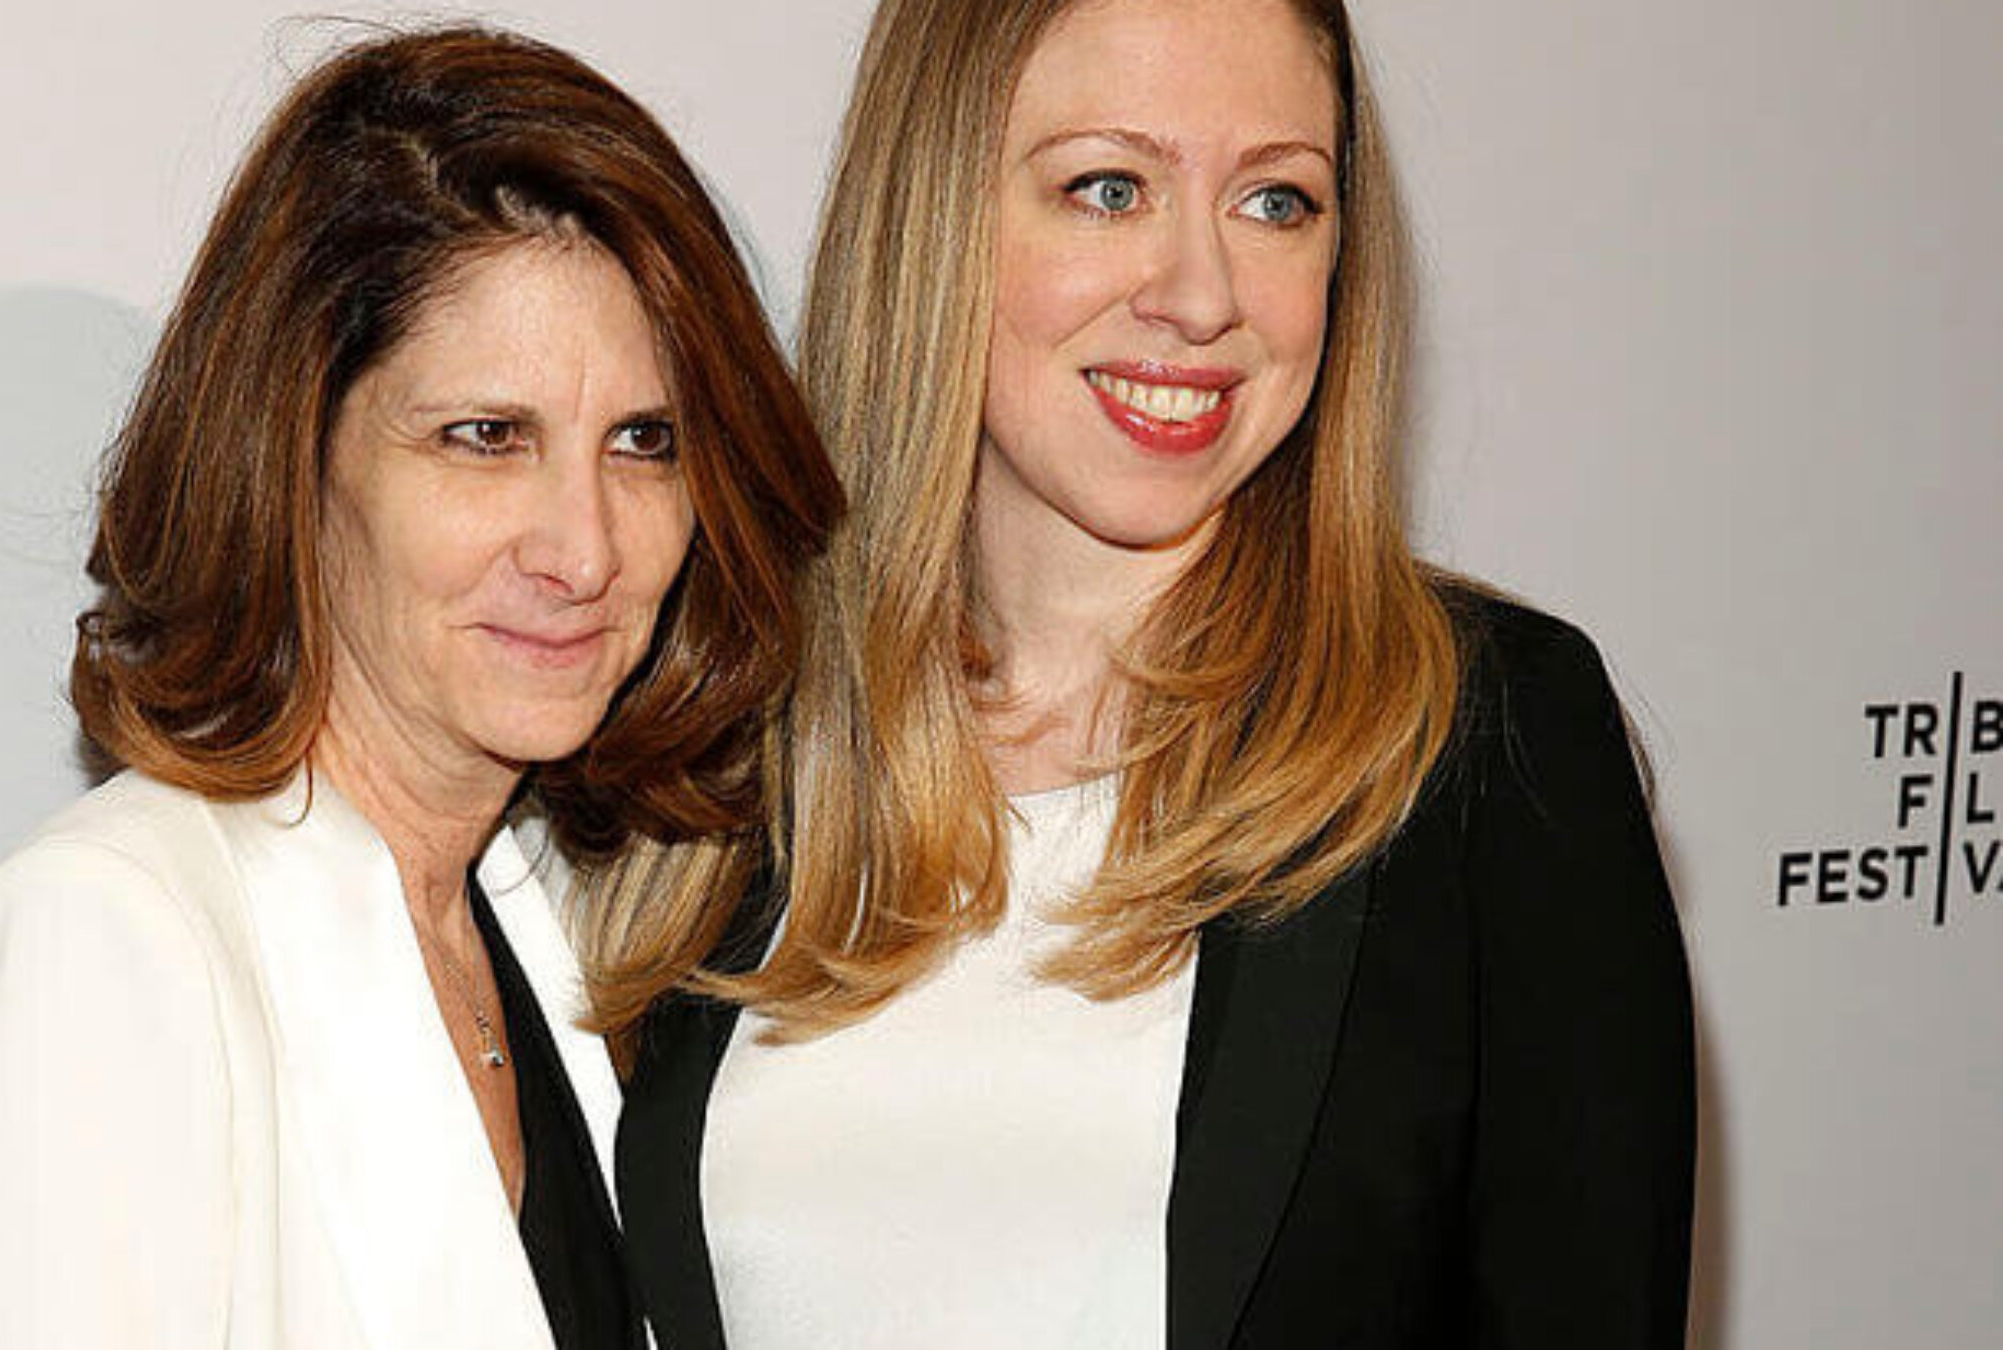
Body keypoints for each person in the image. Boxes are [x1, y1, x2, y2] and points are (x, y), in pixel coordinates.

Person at [593, 1, 1696, 1346]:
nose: (1202, 293)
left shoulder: (1490, 747)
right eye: (1108, 188)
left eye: (1278, 202)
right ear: (933, 213)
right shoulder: (728, 723)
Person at [0, 25, 840, 1349]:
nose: (587, 546)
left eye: (643, 442)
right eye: (484, 438)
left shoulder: (529, 934)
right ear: (295, 451)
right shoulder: (107, 940)